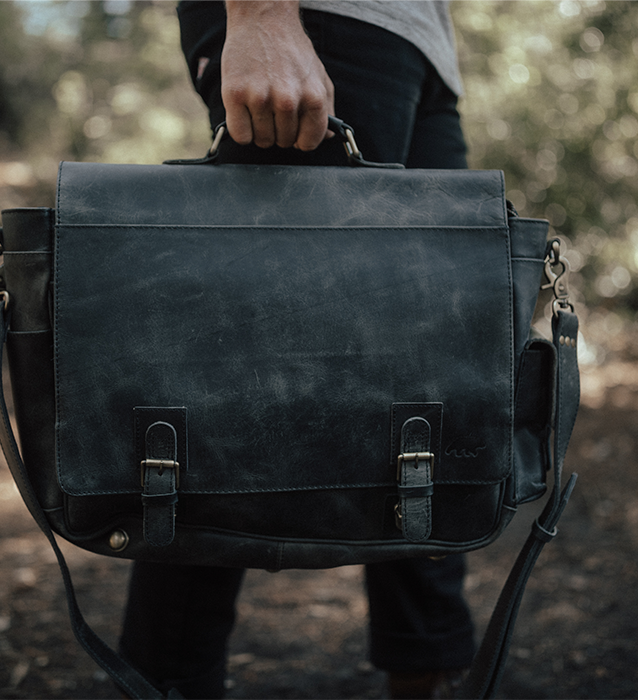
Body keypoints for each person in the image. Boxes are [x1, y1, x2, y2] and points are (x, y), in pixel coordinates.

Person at [119, 2, 475, 698]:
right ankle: (168, 679)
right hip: (321, 20)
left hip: (419, 46)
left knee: (435, 368)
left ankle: (425, 667)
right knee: (236, 383)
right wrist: (260, 19)